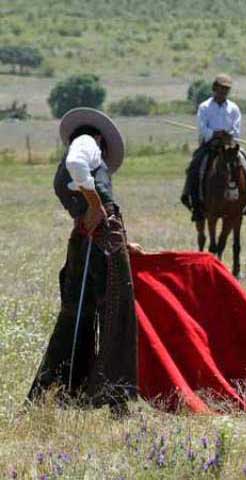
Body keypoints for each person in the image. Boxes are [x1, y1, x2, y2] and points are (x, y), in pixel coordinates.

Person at [28, 108, 141, 416]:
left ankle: (66, 388)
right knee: (116, 312)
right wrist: (95, 207)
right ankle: (114, 397)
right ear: (101, 139)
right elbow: (79, 168)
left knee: (79, 309)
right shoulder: (86, 142)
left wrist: (121, 238)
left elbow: (96, 208)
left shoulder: (82, 146)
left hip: (91, 237)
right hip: (98, 238)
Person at [181, 74, 246, 220]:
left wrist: (229, 135)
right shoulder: (204, 107)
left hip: (231, 147)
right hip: (210, 146)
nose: (224, 92)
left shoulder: (233, 108)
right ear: (214, 88)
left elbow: (236, 129)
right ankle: (195, 205)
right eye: (221, 88)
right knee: (194, 168)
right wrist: (214, 134)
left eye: (226, 89)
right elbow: (202, 128)